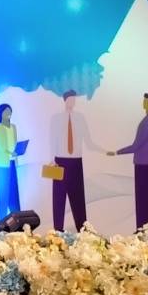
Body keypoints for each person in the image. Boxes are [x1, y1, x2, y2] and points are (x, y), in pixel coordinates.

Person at [109, 92, 148, 234]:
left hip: (143, 165)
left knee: (143, 198)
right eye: (143, 101)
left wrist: (117, 152)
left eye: (146, 101)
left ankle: (142, 229)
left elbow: (136, 146)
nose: (143, 103)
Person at [47, 89, 99, 233]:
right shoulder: (56, 118)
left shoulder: (80, 118)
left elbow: (88, 141)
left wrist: (103, 150)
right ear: (65, 100)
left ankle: (82, 230)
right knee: (59, 198)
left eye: (74, 99)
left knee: (78, 197)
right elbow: (52, 140)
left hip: (76, 162)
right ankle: (57, 231)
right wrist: (52, 159)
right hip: (60, 162)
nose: (73, 102)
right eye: (70, 99)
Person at [0, 103, 22, 222]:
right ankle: (2, 221)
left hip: (12, 162)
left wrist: (18, 151)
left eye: (10, 111)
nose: (8, 114)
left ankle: (18, 220)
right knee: (2, 194)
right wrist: (11, 152)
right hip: (2, 165)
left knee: (13, 193)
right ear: (0, 113)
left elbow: (14, 143)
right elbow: (1, 146)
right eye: (6, 111)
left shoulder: (13, 127)